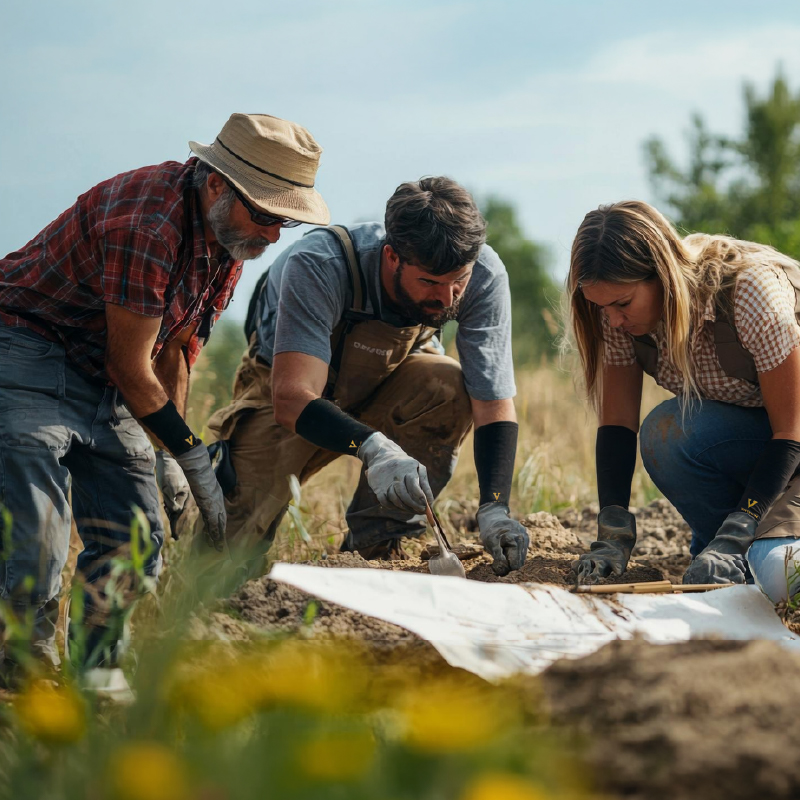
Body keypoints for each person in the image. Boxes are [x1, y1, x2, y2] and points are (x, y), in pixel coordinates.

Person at [0, 113, 329, 675]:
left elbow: (174, 350)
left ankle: (97, 672)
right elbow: (130, 365)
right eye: (267, 216)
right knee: (38, 534)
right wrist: (193, 454)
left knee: (137, 533)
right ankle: (20, 675)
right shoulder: (150, 223)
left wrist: (168, 453)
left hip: (107, 373)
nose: (273, 236)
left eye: (285, 224)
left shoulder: (229, 239)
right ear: (220, 184)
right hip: (28, 347)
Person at [195, 177, 529, 575]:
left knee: (448, 385)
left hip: (393, 378)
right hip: (292, 393)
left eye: (459, 281)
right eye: (429, 282)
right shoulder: (320, 265)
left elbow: (492, 401)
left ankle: (375, 549)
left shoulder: (486, 274)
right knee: (219, 561)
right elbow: (292, 397)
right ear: (391, 257)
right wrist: (374, 449)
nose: (446, 298)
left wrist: (494, 506)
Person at [568, 200, 800, 602]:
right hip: (769, 443)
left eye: (622, 304)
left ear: (664, 275)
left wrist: (739, 529)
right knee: (667, 432)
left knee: (781, 577)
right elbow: (618, 426)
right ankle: (732, 552)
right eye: (600, 307)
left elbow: (792, 427)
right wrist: (613, 534)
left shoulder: (750, 291)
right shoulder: (617, 317)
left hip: (792, 437)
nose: (613, 321)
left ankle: (748, 545)